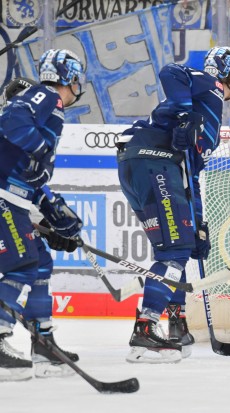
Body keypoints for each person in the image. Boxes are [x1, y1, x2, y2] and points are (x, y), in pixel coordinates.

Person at [117, 46, 230, 363]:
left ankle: (176, 324)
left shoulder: (208, 118)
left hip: (145, 165)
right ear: (226, 73)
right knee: (174, 250)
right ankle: (145, 330)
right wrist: (185, 111)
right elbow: (170, 71)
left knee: (178, 246)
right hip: (154, 161)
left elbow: (192, 174)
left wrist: (199, 223)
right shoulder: (209, 87)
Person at [0, 49, 86, 381]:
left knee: (40, 262)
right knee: (21, 263)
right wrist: (38, 154)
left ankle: (42, 342)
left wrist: (56, 215)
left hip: (14, 198)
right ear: (69, 77)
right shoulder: (45, 94)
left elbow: (33, 178)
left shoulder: (50, 109)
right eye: (76, 78)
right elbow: (12, 122)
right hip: (4, 197)